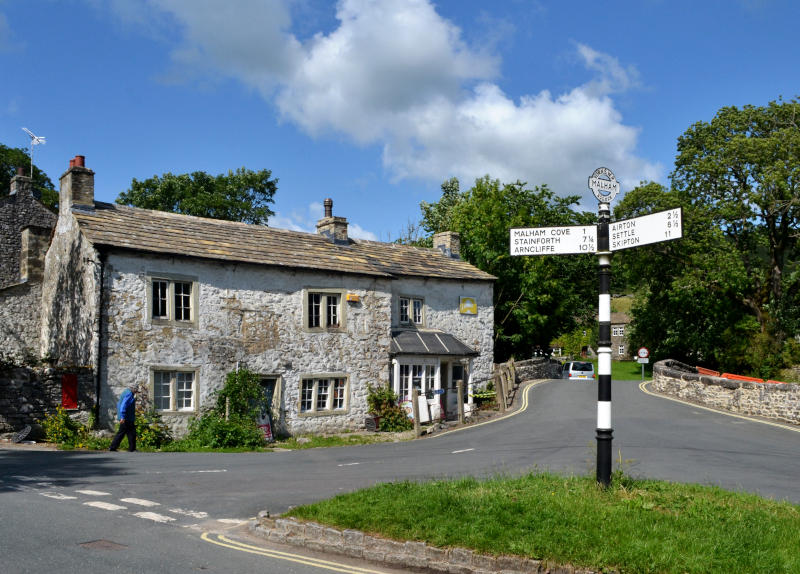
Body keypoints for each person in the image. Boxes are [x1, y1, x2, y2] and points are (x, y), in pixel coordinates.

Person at [109, 384, 139, 452]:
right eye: (136, 390)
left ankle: (114, 447)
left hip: (127, 417)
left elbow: (125, 403)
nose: (136, 391)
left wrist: (134, 399)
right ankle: (131, 448)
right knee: (128, 433)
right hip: (126, 417)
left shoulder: (126, 392)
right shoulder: (129, 394)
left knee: (126, 433)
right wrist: (122, 417)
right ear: (133, 388)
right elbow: (123, 405)